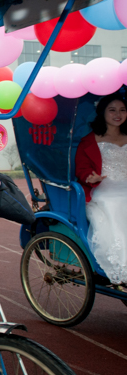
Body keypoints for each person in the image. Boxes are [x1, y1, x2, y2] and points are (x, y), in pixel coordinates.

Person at [76, 91, 127, 284]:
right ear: (102, 112)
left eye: (122, 110)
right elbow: (81, 169)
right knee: (116, 202)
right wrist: (92, 177)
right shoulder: (90, 140)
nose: (118, 114)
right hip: (104, 188)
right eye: (112, 110)